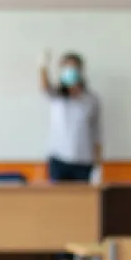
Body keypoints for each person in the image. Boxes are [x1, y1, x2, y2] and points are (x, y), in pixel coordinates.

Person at [39, 50, 102, 183]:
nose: (70, 71)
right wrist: (43, 66)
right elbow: (45, 87)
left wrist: (98, 165)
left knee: (83, 201)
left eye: (74, 67)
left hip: (83, 161)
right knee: (59, 201)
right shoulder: (57, 96)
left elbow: (97, 133)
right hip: (59, 159)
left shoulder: (91, 99)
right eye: (66, 67)